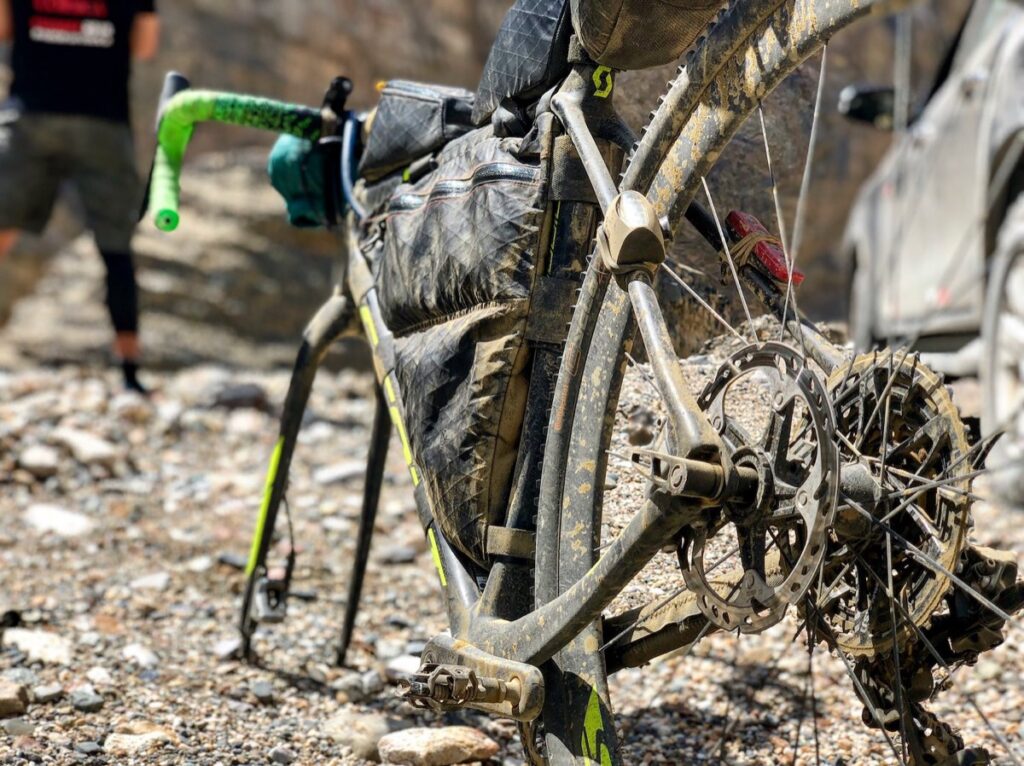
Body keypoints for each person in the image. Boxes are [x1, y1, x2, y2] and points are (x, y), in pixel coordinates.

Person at [0, 0, 160, 392]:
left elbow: (3, 29)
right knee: (116, 247)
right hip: (103, 121)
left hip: (31, 114)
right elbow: (144, 47)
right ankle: (129, 369)